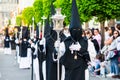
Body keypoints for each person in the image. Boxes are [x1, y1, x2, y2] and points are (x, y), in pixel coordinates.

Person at [58, 0, 90, 80]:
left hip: (82, 71)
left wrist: (81, 50)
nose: (76, 31)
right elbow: (59, 57)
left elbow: (91, 57)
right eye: (74, 30)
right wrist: (57, 48)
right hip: (69, 72)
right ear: (70, 30)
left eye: (78, 29)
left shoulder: (86, 42)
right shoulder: (65, 43)